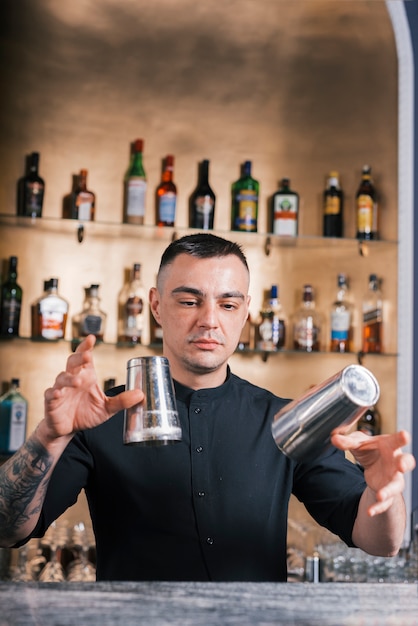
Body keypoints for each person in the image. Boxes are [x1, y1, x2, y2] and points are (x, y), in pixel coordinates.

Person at [0, 233, 415, 581]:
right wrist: (49, 436)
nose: (209, 320)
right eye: (189, 301)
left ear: (245, 312)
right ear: (156, 306)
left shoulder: (287, 421)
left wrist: (382, 492)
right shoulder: (100, 417)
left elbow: (380, 542)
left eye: (228, 304)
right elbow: (6, 528)